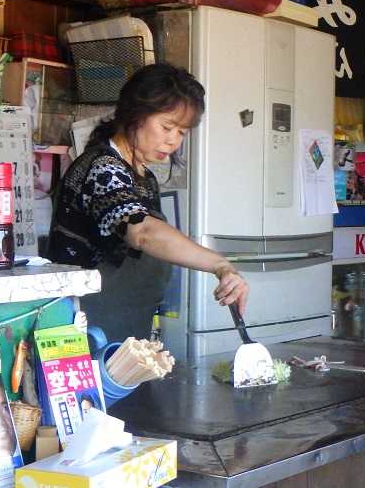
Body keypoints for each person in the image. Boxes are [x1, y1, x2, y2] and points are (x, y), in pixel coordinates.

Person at [46, 64, 249, 340]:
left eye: (182, 132)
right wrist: (219, 264)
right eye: (167, 127)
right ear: (135, 114)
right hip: (84, 329)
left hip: (126, 327)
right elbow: (142, 231)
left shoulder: (144, 178)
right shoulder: (103, 168)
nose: (174, 142)